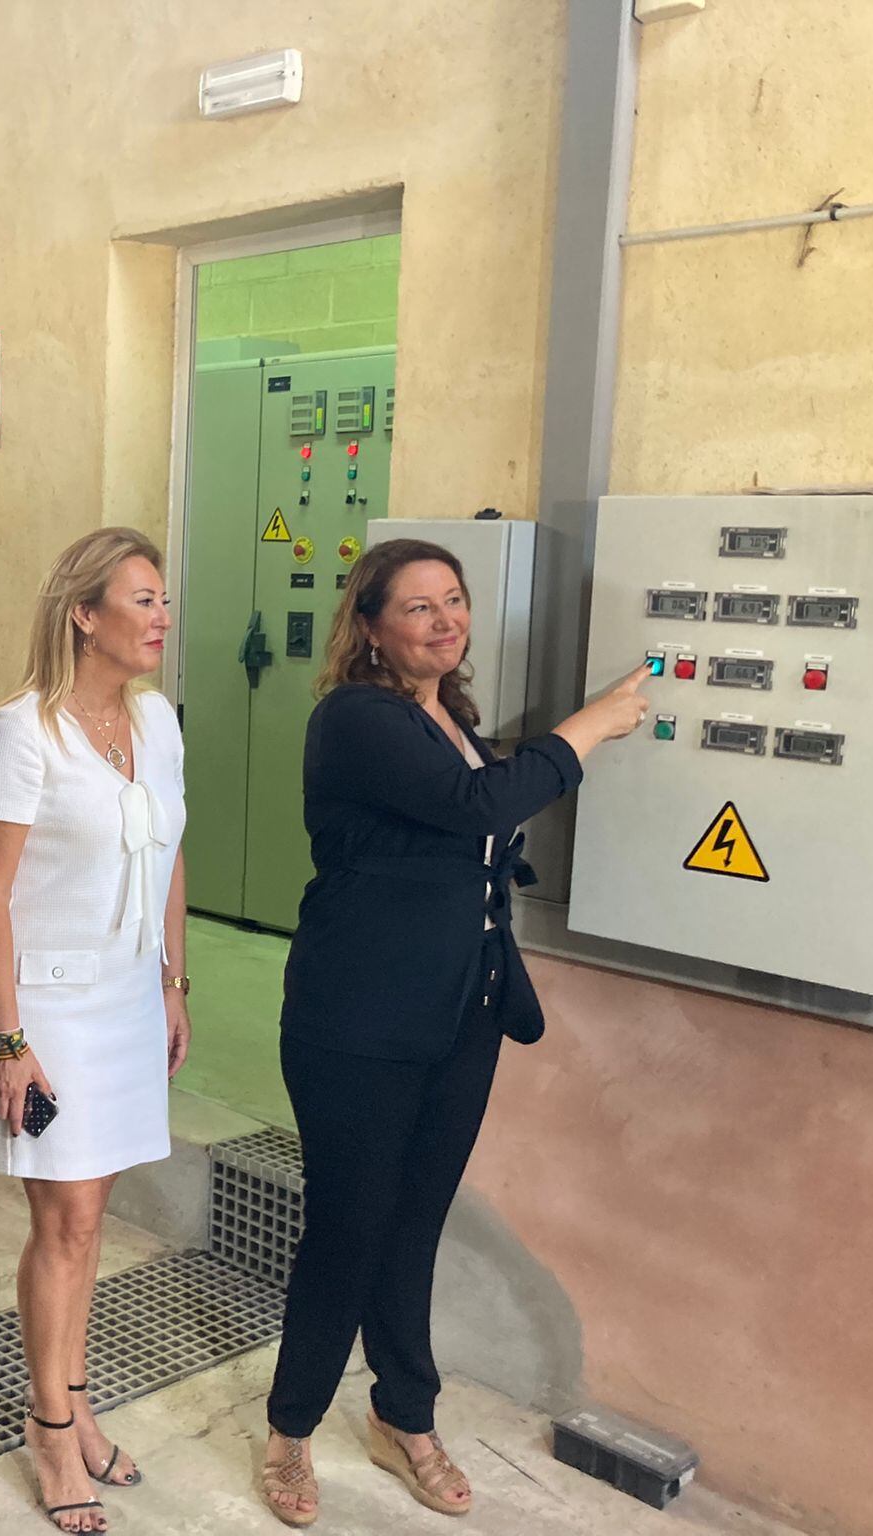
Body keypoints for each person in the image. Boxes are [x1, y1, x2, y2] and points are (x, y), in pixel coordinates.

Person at [256, 538, 649, 1527]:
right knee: (346, 1229)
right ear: (371, 626)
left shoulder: (450, 718)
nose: (442, 621)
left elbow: (472, 814)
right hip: (355, 1019)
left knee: (412, 1225)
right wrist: (589, 726)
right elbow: (473, 804)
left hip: (457, 1013)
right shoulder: (354, 719)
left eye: (454, 601)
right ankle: (290, 1427)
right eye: (417, 607)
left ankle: (402, 1416)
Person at [0, 527, 190, 1536]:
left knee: (91, 1220)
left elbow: (171, 856)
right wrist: (6, 1038)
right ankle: (48, 1423)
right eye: (138, 599)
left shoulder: (156, 724)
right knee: (64, 1222)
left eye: (162, 599)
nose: (159, 617)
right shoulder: (22, 734)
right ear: (82, 615)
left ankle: (75, 1392)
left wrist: (173, 985)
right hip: (49, 1007)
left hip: (129, 1000)